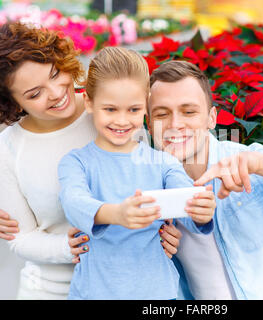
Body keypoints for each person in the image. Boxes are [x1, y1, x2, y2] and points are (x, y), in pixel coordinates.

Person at [0, 54, 263, 298]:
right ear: (147, 119)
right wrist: (22, 212)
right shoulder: (146, 177)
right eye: (162, 113)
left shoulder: (247, 161)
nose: (176, 124)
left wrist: (261, 165)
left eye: (189, 111)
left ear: (212, 118)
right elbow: (82, 188)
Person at [0, 22, 184, 300]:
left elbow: (153, 182)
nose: (57, 92)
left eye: (55, 73)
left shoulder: (111, 110)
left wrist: (169, 230)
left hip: (132, 283)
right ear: (12, 103)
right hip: (52, 289)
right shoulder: (7, 151)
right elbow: (19, 238)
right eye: (35, 94)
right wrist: (73, 247)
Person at [57, 46, 215, 300]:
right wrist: (117, 214)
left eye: (133, 109)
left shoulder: (164, 164)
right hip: (94, 293)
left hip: (158, 295)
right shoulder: (76, 162)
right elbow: (73, 202)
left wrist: (201, 210)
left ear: (146, 105)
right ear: (88, 102)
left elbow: (187, 200)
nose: (122, 121)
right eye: (110, 109)